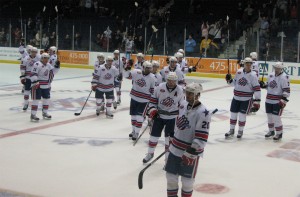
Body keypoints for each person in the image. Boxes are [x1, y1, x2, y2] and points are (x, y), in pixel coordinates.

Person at [164, 82, 211, 197]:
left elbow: (202, 136)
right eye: (187, 92)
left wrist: (192, 151)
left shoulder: (203, 112)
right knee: (171, 178)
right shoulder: (182, 104)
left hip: (189, 152)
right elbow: (178, 124)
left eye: (191, 93)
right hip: (175, 149)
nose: (188, 95)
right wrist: (173, 138)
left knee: (187, 182)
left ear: (198, 95)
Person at [143, 72, 184, 163]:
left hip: (172, 118)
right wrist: (152, 110)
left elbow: (182, 105)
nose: (171, 82)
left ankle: (168, 158)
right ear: (167, 79)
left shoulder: (180, 90)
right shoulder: (160, 87)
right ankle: (150, 153)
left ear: (176, 81)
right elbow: (153, 100)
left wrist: (181, 117)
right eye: (169, 80)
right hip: (159, 116)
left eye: (173, 81)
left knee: (168, 139)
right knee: (153, 136)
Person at [225, 57, 261, 139]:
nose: (248, 65)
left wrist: (257, 100)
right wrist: (229, 80)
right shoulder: (239, 71)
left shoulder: (253, 75)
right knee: (233, 114)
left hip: (246, 99)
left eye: (250, 64)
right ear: (244, 64)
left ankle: (240, 131)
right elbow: (234, 83)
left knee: (242, 115)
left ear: (252, 65)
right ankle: (231, 130)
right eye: (247, 63)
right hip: (236, 97)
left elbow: (257, 88)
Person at [124, 61, 156, 140]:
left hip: (144, 100)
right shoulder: (136, 72)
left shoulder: (152, 77)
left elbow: (152, 90)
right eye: (147, 68)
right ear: (143, 67)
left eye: (150, 68)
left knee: (139, 117)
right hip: (134, 97)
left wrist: (152, 101)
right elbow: (127, 76)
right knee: (133, 116)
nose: (149, 69)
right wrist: (126, 69)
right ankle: (133, 131)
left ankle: (136, 133)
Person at [260, 62, 290, 141]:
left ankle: (279, 133)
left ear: (281, 69)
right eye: (275, 68)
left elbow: (287, 90)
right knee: (269, 117)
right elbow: (269, 86)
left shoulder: (284, 77)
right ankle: (271, 131)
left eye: (278, 68)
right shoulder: (270, 75)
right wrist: (263, 85)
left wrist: (283, 101)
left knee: (276, 117)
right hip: (268, 99)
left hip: (277, 101)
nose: (276, 70)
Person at [30, 53, 59, 121]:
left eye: (47, 58)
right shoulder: (37, 64)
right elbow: (33, 74)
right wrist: (35, 82)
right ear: (42, 58)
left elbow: (53, 72)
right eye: (45, 58)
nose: (46, 60)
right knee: (36, 100)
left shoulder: (48, 65)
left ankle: (45, 113)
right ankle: (33, 115)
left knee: (46, 99)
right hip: (37, 85)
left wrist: (57, 67)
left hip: (46, 85)